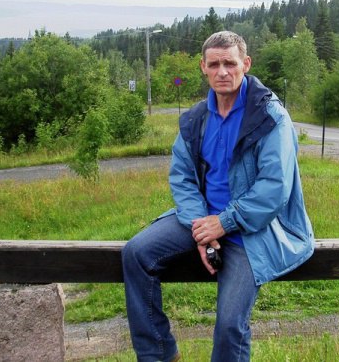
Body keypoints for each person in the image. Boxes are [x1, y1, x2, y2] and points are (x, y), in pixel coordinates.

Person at [122, 31, 314, 362]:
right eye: (214, 64)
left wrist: (223, 223)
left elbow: (274, 188)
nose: (222, 71)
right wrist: (201, 226)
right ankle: (159, 355)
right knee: (136, 253)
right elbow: (182, 176)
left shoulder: (270, 118)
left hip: (251, 229)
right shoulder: (196, 119)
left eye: (230, 63)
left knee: (229, 326)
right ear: (203, 67)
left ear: (246, 64)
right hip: (200, 218)